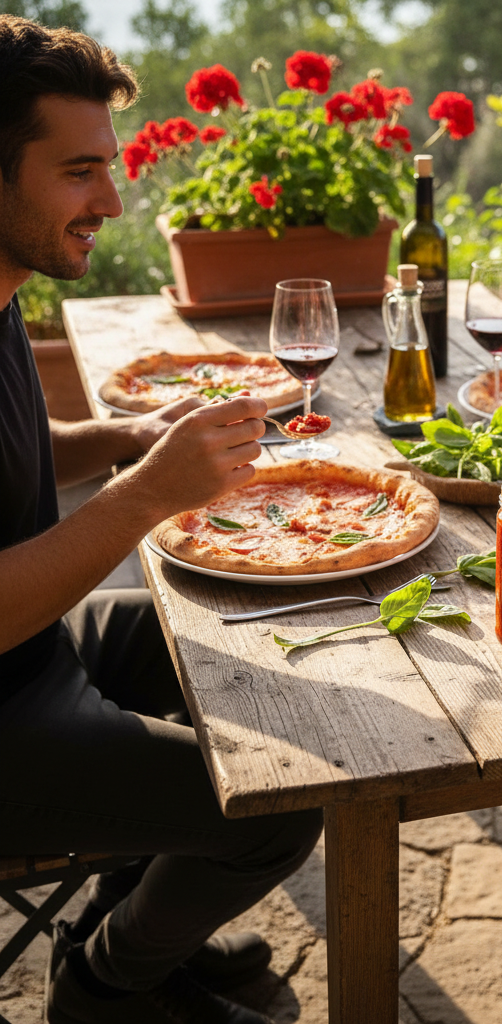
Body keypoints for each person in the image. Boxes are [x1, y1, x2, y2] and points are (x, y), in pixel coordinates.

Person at [0, 17, 322, 1024]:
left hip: (37, 653)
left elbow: (20, 447)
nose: (112, 200)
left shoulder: (0, 290)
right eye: (79, 171)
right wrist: (148, 490)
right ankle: (106, 987)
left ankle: (130, 927)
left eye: (108, 165)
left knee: (243, 644)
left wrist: (130, 433)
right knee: (280, 799)